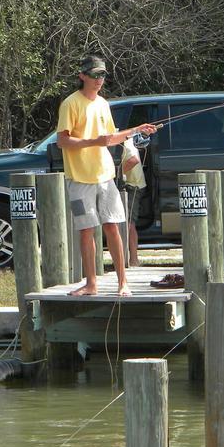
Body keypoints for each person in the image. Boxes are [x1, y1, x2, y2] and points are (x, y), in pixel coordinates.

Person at [57, 55, 156, 296]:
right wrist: (93, 141)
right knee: (87, 230)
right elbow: (62, 140)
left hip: (105, 177)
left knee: (113, 228)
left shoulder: (102, 104)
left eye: (102, 75)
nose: (99, 79)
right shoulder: (70, 104)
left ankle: (123, 283)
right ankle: (91, 284)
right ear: (82, 76)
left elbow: (111, 137)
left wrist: (136, 130)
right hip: (79, 179)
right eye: (94, 75)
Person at [121, 136, 147, 267]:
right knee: (126, 223)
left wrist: (117, 173)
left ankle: (134, 260)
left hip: (134, 185)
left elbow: (134, 160)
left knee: (129, 223)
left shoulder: (125, 141)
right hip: (127, 185)